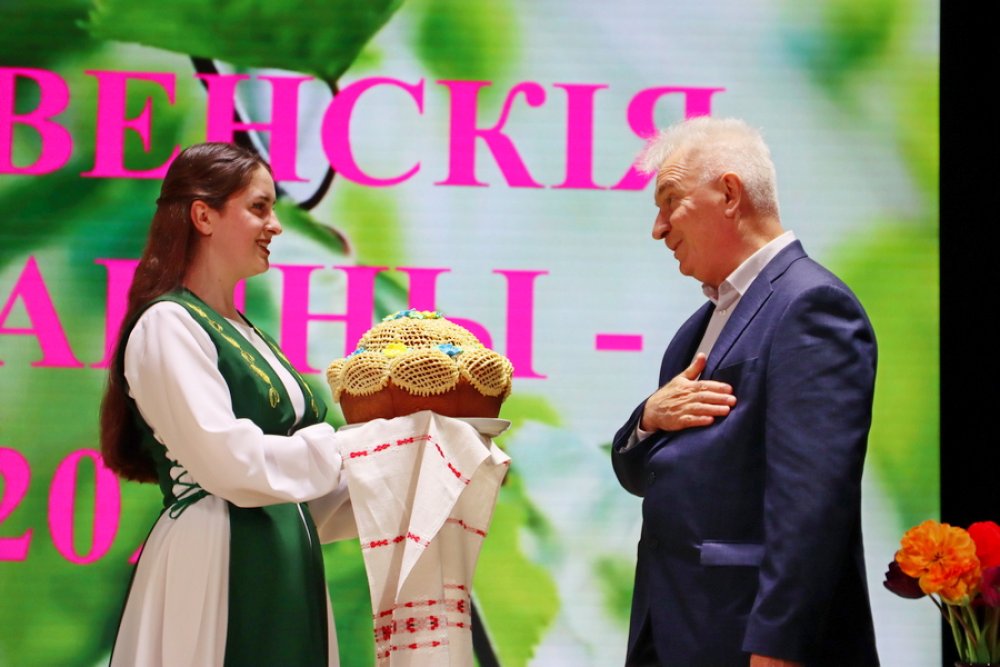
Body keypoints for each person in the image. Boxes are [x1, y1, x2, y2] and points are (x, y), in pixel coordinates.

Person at [611, 117, 880, 667]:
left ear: (730, 194)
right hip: (674, 631)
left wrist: (778, 648)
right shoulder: (696, 328)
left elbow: (811, 505)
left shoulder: (811, 305)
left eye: (670, 202)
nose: (658, 229)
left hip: (750, 641)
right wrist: (648, 419)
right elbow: (641, 473)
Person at [100, 142, 356, 666]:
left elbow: (302, 494)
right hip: (213, 559)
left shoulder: (246, 332)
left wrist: (417, 463)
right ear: (203, 216)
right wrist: (349, 447)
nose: (275, 226)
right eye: (259, 207)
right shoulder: (168, 323)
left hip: (286, 564)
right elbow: (230, 463)